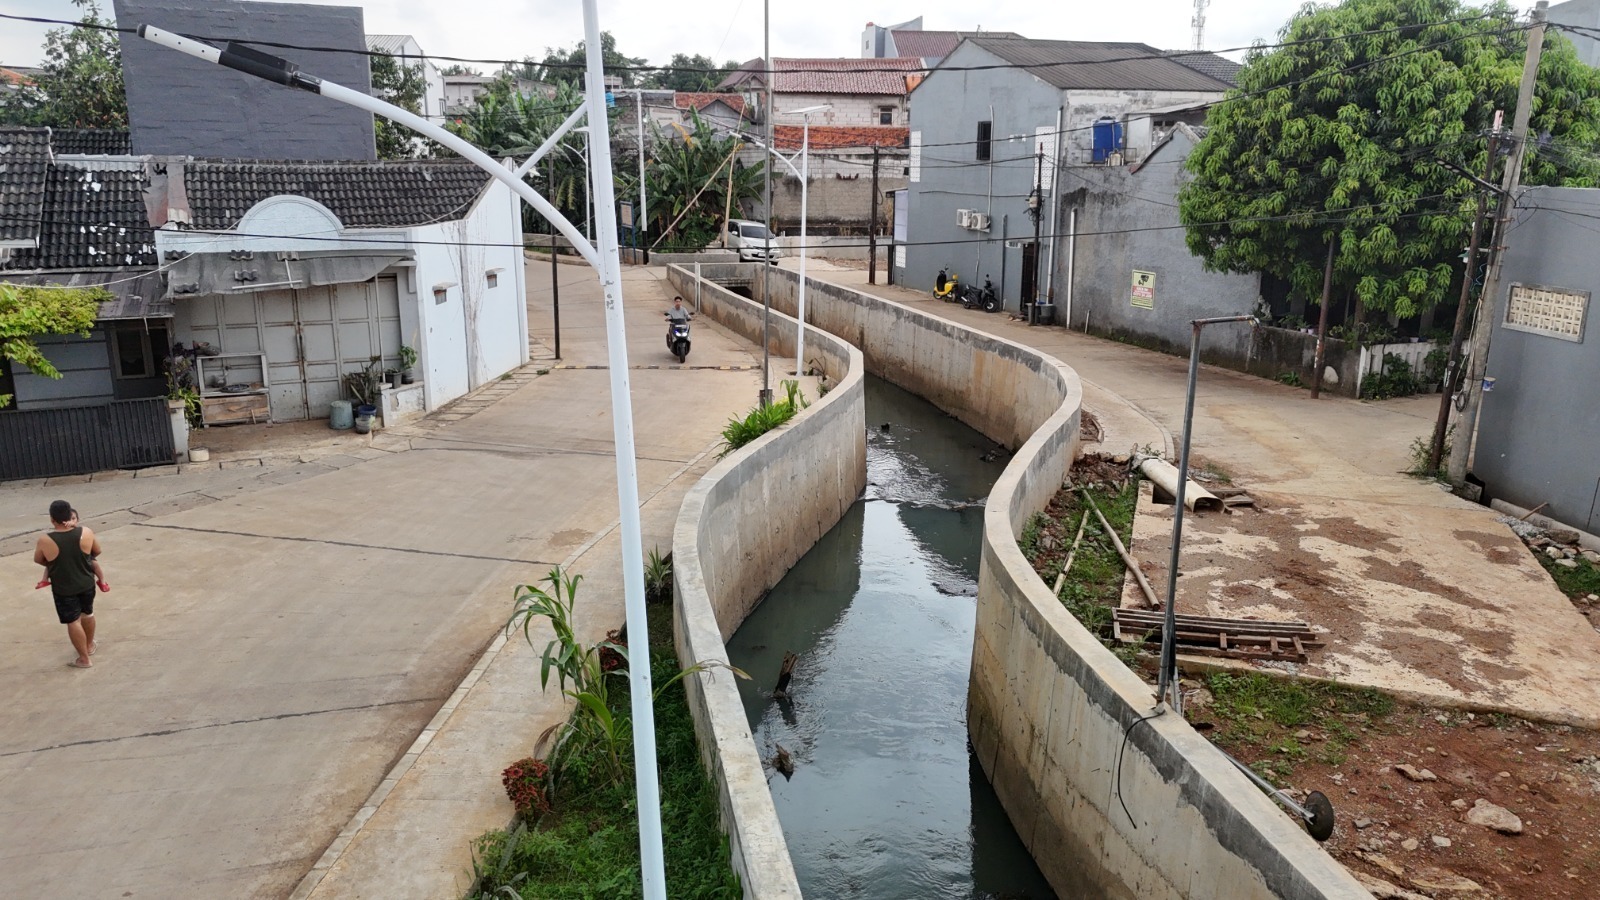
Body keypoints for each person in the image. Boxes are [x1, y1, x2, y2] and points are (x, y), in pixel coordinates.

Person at [33, 500, 106, 668]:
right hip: (87, 583)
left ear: (52, 520)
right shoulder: (86, 532)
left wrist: (59, 564)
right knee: (87, 613)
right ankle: (89, 645)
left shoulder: (45, 540)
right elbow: (97, 551)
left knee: (73, 621)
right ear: (70, 516)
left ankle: (84, 659)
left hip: (64, 588)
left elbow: (38, 559)